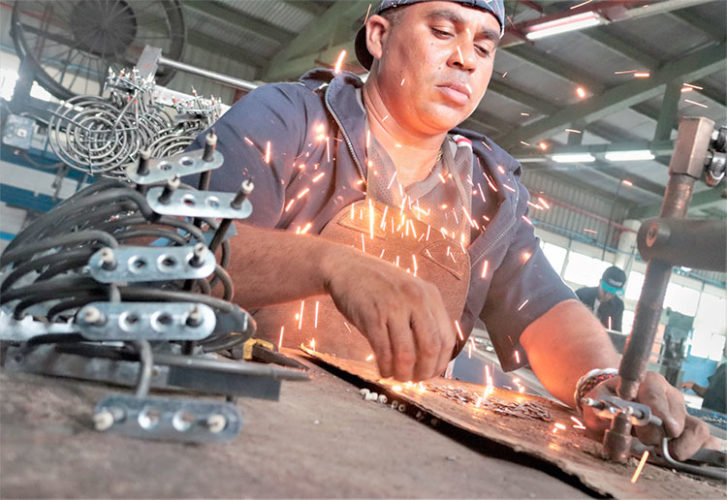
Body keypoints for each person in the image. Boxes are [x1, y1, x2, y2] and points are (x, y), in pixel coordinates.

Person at [188, 0, 716, 459]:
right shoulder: (288, 121)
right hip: (248, 415)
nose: (465, 57)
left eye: (484, 47)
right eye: (443, 32)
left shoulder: (489, 188)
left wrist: (603, 384)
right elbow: (177, 250)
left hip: (400, 440)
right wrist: (331, 265)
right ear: (379, 35)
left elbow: (547, 312)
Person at [575, 266, 626, 331]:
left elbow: (616, 332)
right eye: (605, 290)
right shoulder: (581, 295)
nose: (607, 295)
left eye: (612, 292)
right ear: (600, 282)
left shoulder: (618, 306)